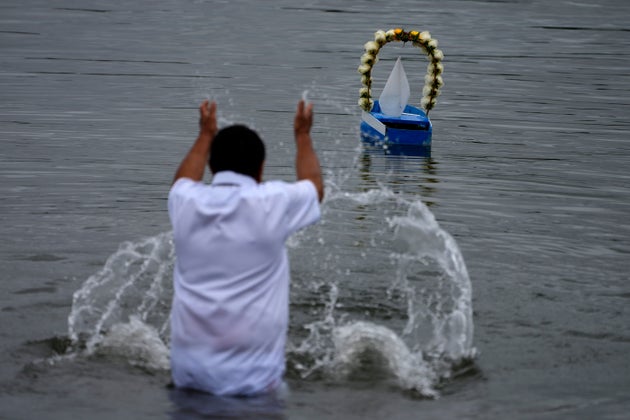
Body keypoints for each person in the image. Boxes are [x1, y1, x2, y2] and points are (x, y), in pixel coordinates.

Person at [167, 99, 324, 397]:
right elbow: (315, 188)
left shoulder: (185, 202)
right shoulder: (272, 202)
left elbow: (182, 181)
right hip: (254, 389)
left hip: (187, 383)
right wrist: (302, 135)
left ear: (212, 166)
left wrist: (205, 135)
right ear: (261, 169)